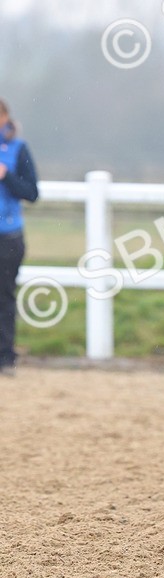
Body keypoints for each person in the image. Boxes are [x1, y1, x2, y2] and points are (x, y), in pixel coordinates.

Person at [0, 99, 39, 374]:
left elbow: (32, 192)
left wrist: (6, 176)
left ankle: (5, 356)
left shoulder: (18, 148)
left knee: (3, 296)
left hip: (8, 235)